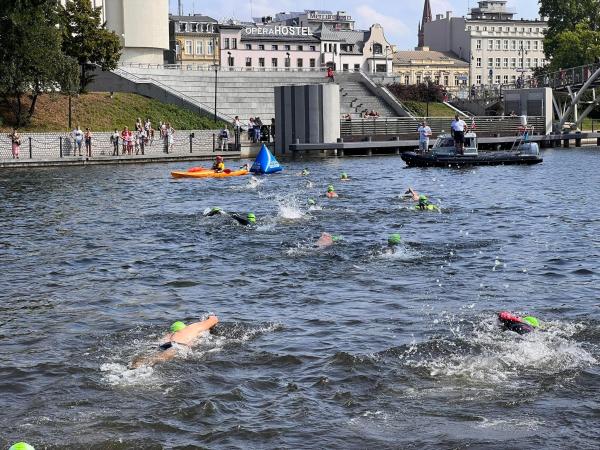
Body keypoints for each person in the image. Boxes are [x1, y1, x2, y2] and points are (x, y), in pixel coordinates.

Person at [130, 316, 219, 368]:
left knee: (151, 355)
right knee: (159, 359)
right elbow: (214, 319)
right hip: (178, 345)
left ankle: (136, 365)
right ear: (184, 327)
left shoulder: (169, 335)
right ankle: (143, 367)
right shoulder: (192, 327)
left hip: (163, 345)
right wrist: (209, 318)